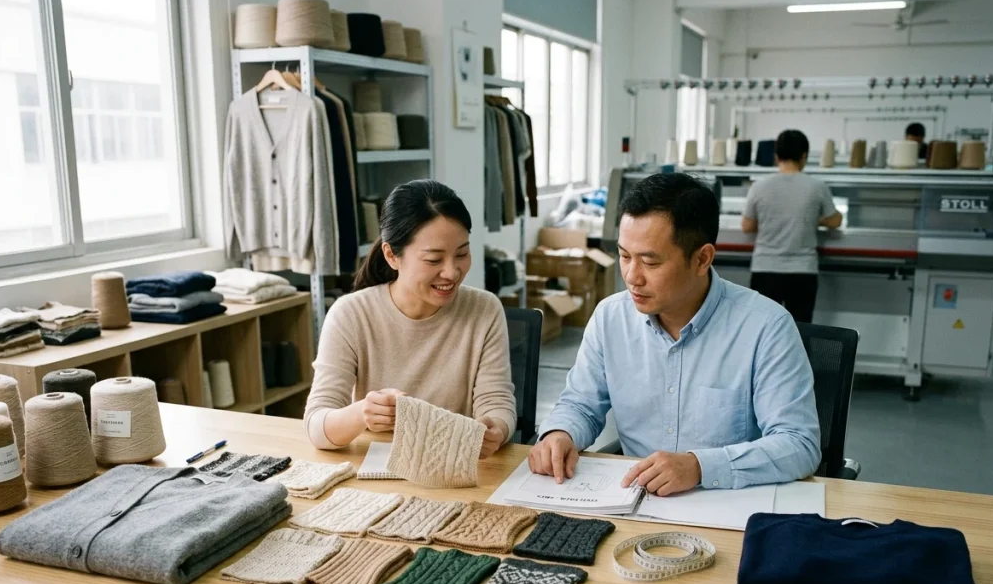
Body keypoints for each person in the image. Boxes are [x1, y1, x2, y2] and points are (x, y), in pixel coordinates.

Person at [528, 173, 820, 496]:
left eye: (650, 263)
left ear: (702, 259)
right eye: (624, 256)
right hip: (632, 501)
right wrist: (560, 433)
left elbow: (799, 443)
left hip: (726, 502)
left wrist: (700, 467)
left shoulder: (766, 327)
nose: (632, 277)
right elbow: (581, 404)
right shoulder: (610, 318)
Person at [303, 179, 516, 457]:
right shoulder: (350, 314)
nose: (452, 272)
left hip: (452, 463)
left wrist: (497, 429)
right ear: (392, 255)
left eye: (462, 253)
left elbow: (496, 401)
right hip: (375, 467)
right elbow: (317, 426)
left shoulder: (484, 309)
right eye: (434, 260)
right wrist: (362, 412)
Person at [741, 129, 842, 323]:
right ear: (804, 156)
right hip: (802, 272)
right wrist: (814, 219)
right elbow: (835, 221)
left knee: (762, 329)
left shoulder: (759, 186)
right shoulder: (817, 186)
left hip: (765, 269)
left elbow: (747, 226)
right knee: (800, 330)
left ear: (776, 156)